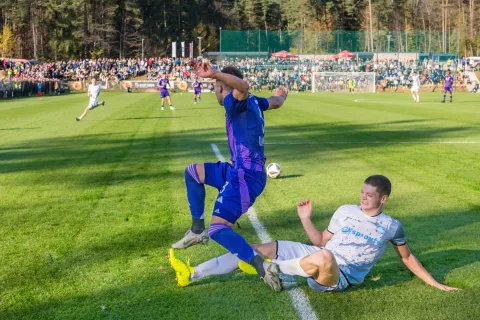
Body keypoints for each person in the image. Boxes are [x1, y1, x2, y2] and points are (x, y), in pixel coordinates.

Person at [169, 175, 460, 293]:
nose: (364, 198)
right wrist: (306, 220)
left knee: (323, 258)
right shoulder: (345, 210)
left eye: (370, 195)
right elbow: (320, 240)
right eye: (362, 192)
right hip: (320, 255)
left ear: (383, 199)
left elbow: (408, 258)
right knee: (256, 248)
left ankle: (272, 269)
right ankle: (192, 274)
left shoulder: (392, 226)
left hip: (338, 276)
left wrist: (436, 284)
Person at [170, 62, 288, 291]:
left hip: (246, 175)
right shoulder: (254, 101)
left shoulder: (233, 101)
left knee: (218, 230)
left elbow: (243, 85)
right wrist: (281, 96)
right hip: (238, 169)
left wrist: (214, 73)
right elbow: (275, 102)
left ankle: (262, 268)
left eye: (215, 85)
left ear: (223, 86)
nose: (214, 90)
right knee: (193, 172)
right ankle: (196, 230)